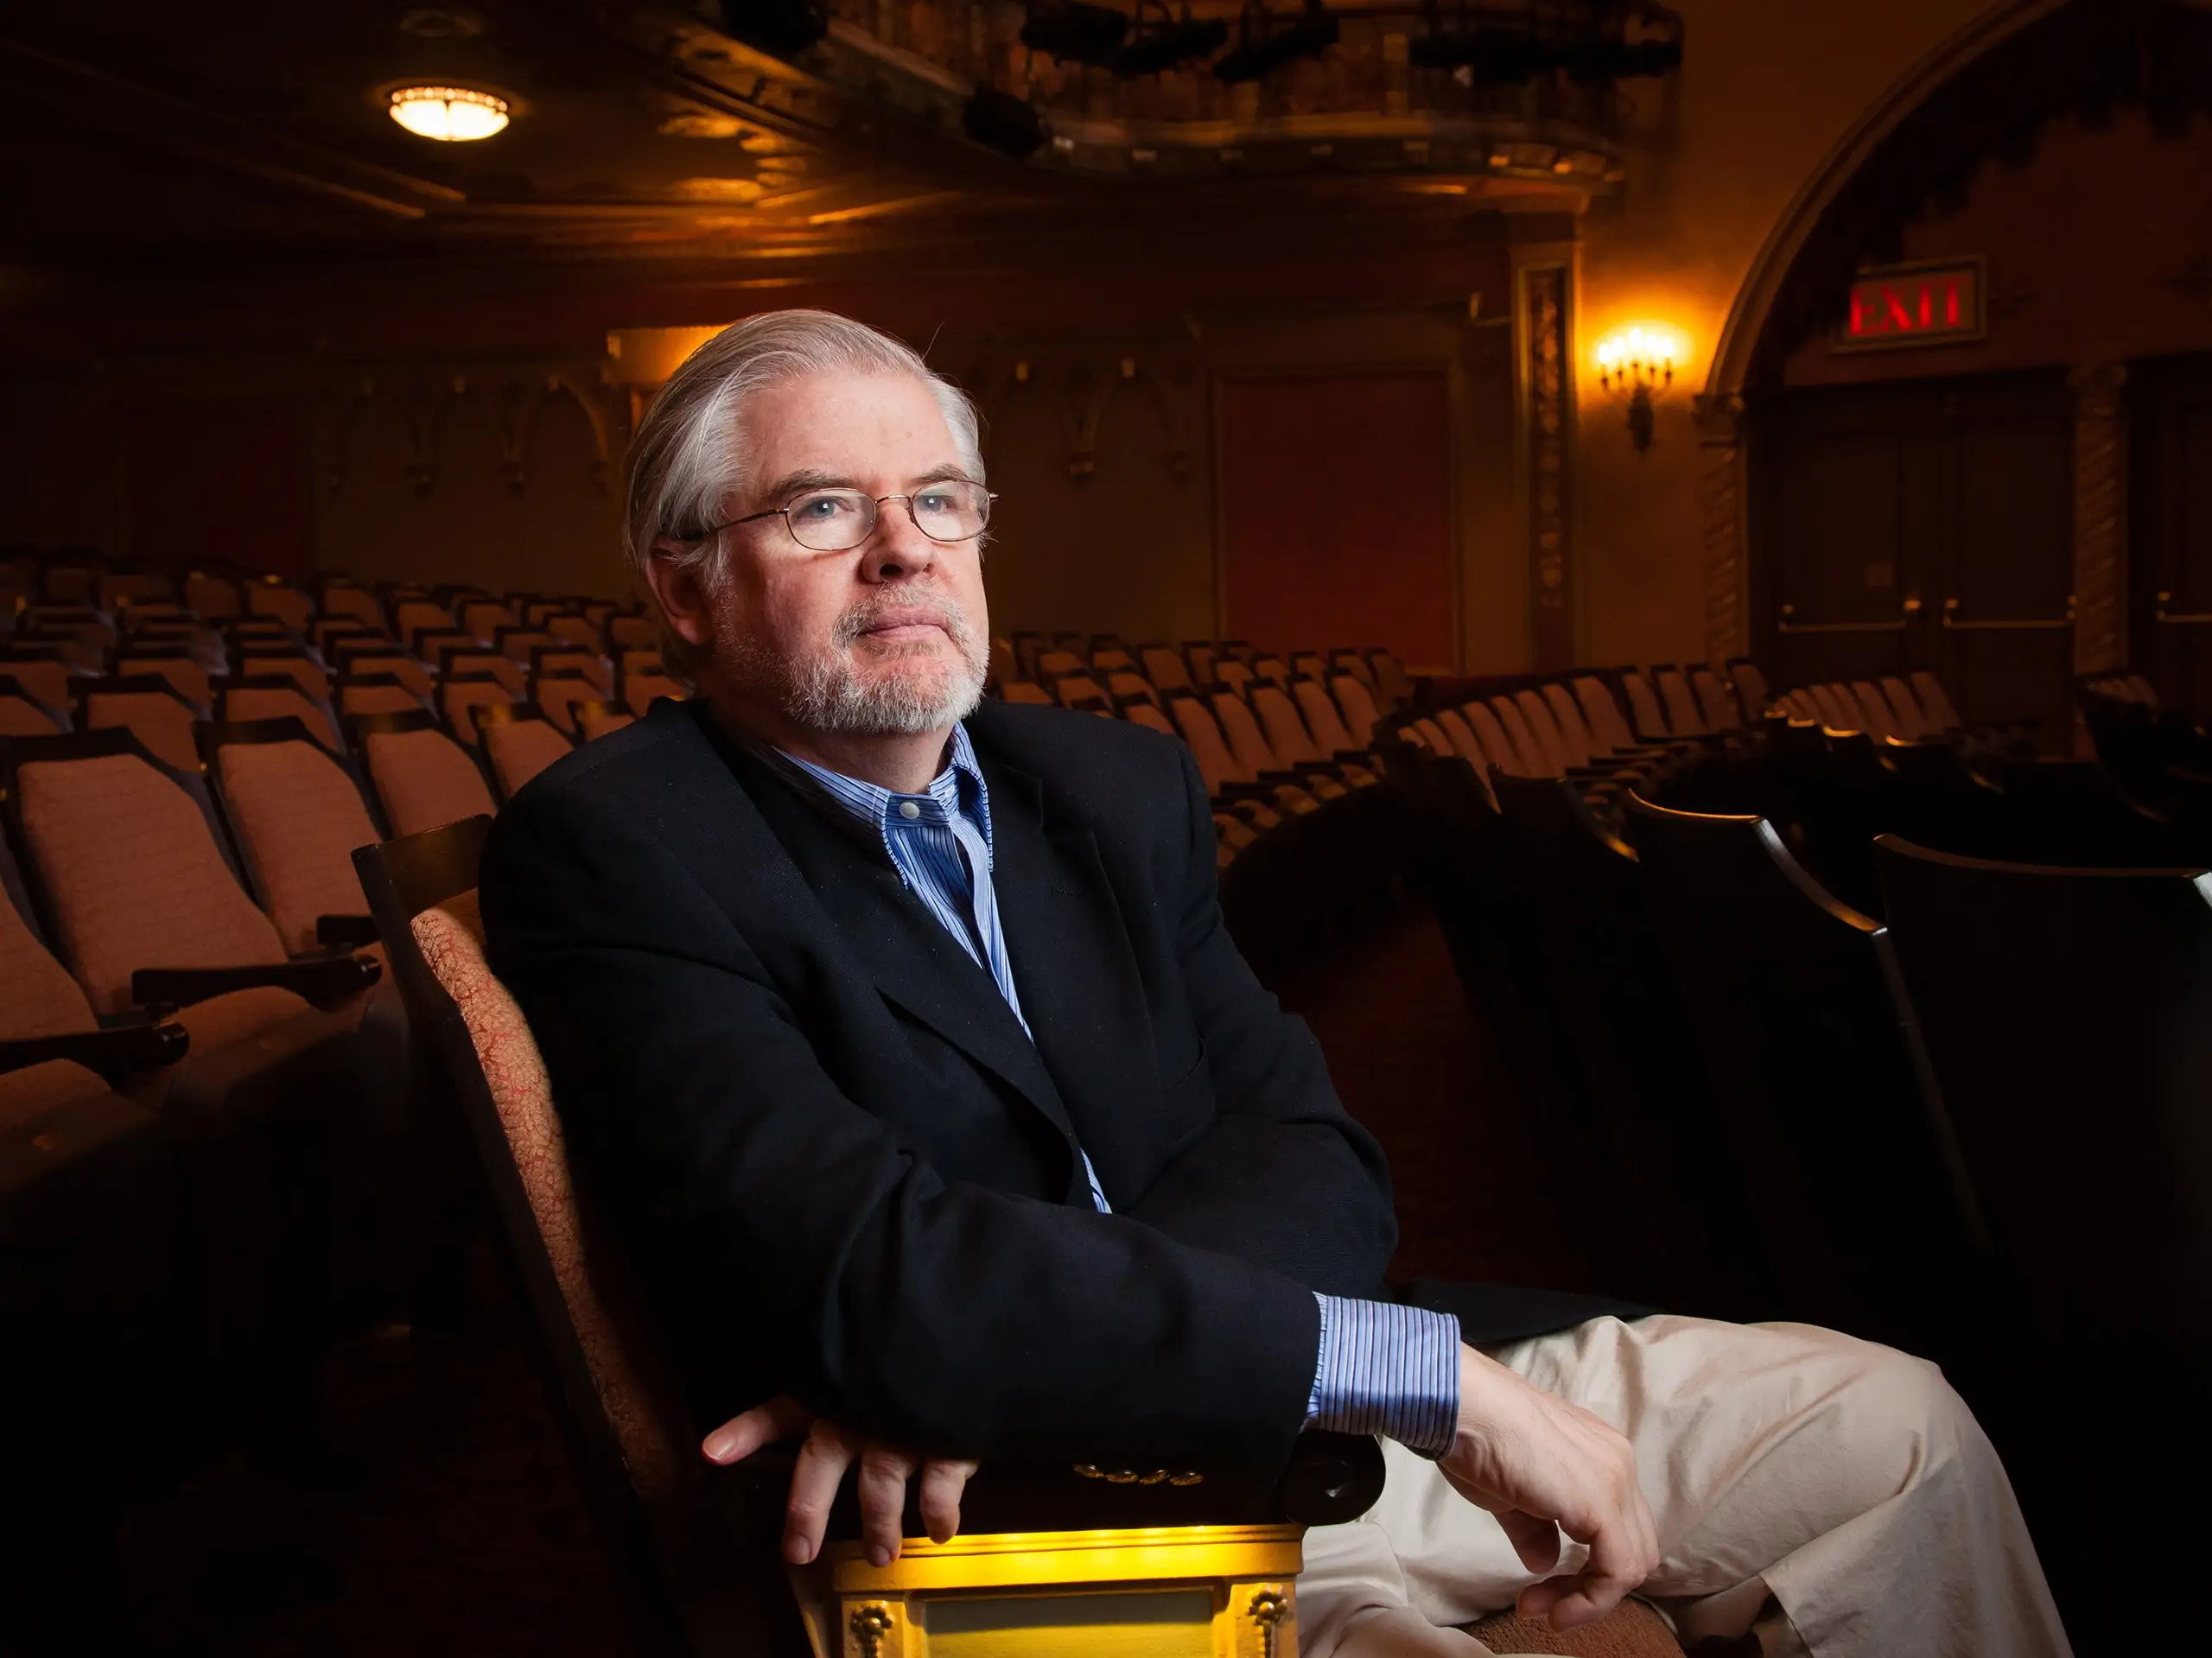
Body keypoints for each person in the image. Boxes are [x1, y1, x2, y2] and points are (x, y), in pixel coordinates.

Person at [480, 309, 2069, 1657]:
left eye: (943, 501)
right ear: (683, 588)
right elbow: (870, 1272)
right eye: (823, 507)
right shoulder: (621, 846)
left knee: (1897, 1430)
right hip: (1005, 1530)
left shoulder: (1109, 784)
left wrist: (1014, 1355)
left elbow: (1314, 1145)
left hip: (1246, 1407)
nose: (905, 547)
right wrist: (1391, 1366)